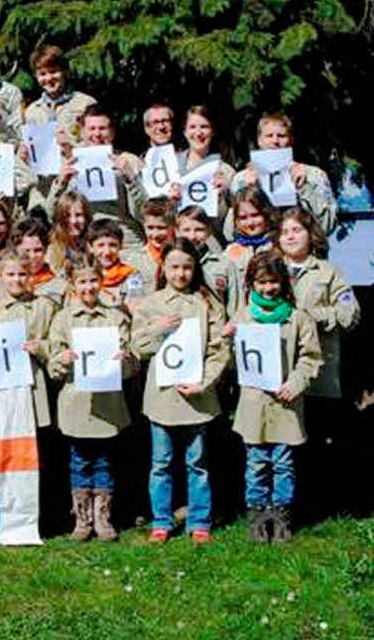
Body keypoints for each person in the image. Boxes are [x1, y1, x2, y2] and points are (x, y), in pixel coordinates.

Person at [131, 239, 229, 544]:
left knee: (197, 463)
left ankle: (199, 519)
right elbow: (137, 347)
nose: (181, 273)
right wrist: (158, 328)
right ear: (164, 268)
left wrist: (205, 382)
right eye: (174, 267)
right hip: (162, 399)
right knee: (160, 463)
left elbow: (219, 349)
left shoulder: (207, 304)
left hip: (197, 397)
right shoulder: (150, 304)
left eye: (187, 267)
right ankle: (161, 520)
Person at [225, 251, 322, 542]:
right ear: (252, 284)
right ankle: (258, 516)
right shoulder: (243, 317)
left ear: (284, 282)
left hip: (286, 405)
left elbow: (311, 357)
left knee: (283, 464)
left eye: (273, 282)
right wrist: (228, 337)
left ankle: (281, 516)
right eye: (261, 282)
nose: (268, 288)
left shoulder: (297, 318)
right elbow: (231, 360)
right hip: (254, 406)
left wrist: (296, 382)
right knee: (255, 464)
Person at [278, 206, 361, 520]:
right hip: (283, 369)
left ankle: (322, 504)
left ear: (310, 235)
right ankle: (288, 504)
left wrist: (317, 317)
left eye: (296, 230)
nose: (290, 237)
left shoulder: (329, 273)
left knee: (319, 438)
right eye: (284, 232)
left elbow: (350, 316)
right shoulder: (271, 270)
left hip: (320, 369)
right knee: (287, 440)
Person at [47, 254, 135, 541]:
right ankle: (82, 518)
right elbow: (52, 365)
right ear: (73, 285)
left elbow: (132, 362)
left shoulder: (115, 317)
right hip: (76, 404)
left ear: (102, 281)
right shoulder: (62, 319)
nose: (88, 287)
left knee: (104, 462)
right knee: (78, 461)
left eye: (93, 280)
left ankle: (103, 517)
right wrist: (61, 358)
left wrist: (124, 360)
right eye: (82, 282)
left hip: (107, 403)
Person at [0, 250, 56, 430]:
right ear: (1, 276)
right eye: (10, 274)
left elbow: (57, 342)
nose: (16, 280)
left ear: (30, 276)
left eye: (22, 274)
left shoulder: (44, 306)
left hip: (35, 383)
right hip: (2, 387)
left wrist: (40, 347)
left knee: (38, 438)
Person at [49, 105, 147, 248]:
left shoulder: (129, 161)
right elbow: (51, 214)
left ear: (112, 132)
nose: (97, 134)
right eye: (91, 129)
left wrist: (130, 180)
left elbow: (144, 213)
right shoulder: (70, 164)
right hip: (83, 240)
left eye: (102, 128)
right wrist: (60, 183)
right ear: (82, 132)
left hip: (125, 241)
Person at [228, 112, 336, 237]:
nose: (275, 141)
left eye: (281, 135)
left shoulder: (314, 175)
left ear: (291, 139)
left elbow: (327, 225)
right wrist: (247, 190)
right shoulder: (241, 179)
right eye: (269, 136)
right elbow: (231, 232)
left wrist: (304, 188)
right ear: (259, 141)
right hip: (260, 252)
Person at [23, 45, 96, 145]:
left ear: (64, 72)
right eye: (42, 74)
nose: (48, 78)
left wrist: (70, 145)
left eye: (53, 72)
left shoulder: (85, 104)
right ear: (36, 76)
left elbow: (97, 143)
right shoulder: (31, 112)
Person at [224, 188, 277, 316]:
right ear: (235, 221)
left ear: (266, 214)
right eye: (243, 218)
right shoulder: (230, 252)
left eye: (255, 215)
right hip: (239, 321)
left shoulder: (277, 248)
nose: (250, 223)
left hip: (272, 319)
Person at [85, 219, 145, 311]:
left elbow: (135, 304)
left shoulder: (132, 275)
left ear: (120, 246)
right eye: (101, 245)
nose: (107, 252)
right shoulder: (83, 275)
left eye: (112, 245)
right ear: (90, 247)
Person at [176, 206, 230, 306]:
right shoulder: (170, 264)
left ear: (209, 231)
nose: (192, 236)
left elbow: (234, 304)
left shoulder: (223, 264)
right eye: (186, 230)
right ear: (177, 231)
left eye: (199, 230)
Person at [122, 198, 175, 294]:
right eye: (150, 228)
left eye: (161, 228)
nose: (155, 234)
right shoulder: (135, 261)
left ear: (173, 226)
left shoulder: (184, 256)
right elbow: (133, 297)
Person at [46, 190, 91, 273]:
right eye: (67, 216)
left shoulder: (94, 245)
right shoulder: (54, 250)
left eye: (78, 215)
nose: (73, 221)